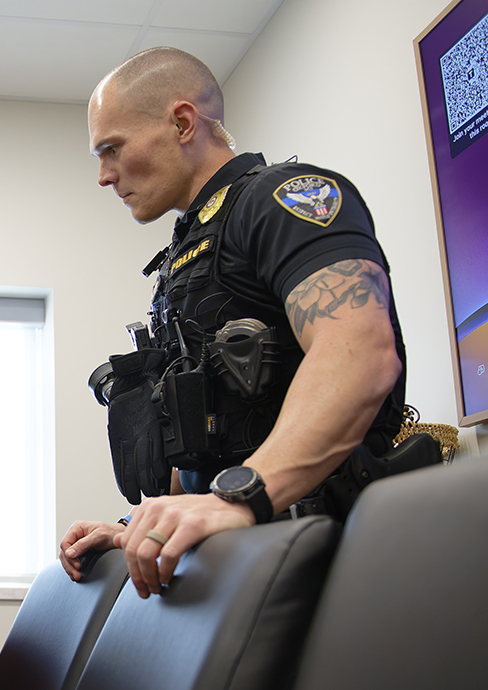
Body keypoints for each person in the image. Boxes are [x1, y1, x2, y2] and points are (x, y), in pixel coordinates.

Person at [60, 47, 407, 600]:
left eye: (112, 150)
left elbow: (360, 352)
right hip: (240, 553)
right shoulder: (186, 254)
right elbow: (198, 427)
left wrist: (239, 497)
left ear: (181, 122)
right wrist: (142, 525)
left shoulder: (282, 199)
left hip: (327, 555)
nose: (104, 176)